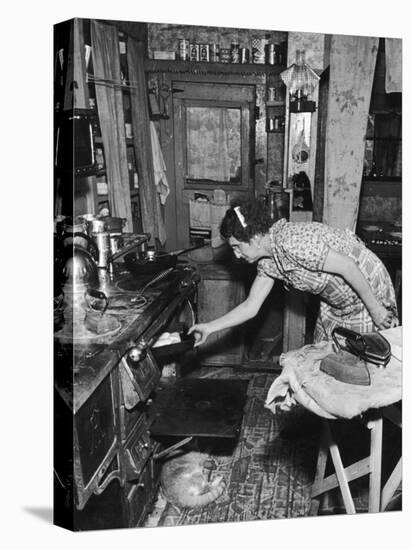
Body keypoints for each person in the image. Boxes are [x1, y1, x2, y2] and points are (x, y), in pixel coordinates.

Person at [188, 197, 398, 346]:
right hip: (337, 300)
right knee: (325, 362)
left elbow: (348, 267)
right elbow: (251, 306)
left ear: (253, 238)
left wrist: (376, 309)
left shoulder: (293, 242)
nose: (236, 255)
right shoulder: (267, 262)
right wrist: (210, 327)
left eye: (236, 246)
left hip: (365, 286)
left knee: (362, 364)